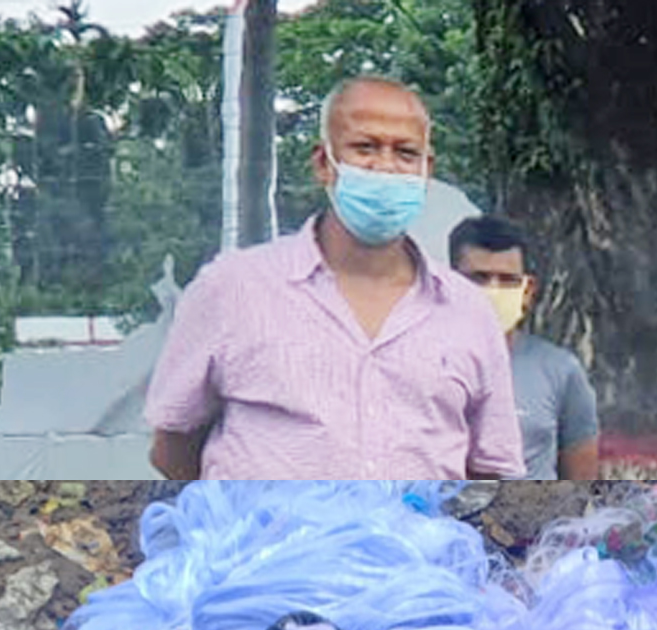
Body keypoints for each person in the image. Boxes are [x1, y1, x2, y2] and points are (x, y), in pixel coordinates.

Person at [146, 76, 523, 480]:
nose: (385, 167)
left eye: (405, 152)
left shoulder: (468, 311)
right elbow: (174, 449)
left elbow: (492, 470)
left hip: (415, 542)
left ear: (426, 171)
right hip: (268, 543)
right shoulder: (232, 287)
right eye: (365, 148)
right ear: (324, 163)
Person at [449, 215, 603, 480]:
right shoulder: (419, 365)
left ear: (528, 290)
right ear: (450, 282)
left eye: (507, 280)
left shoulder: (560, 370)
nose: (492, 291)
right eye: (479, 278)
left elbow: (581, 479)